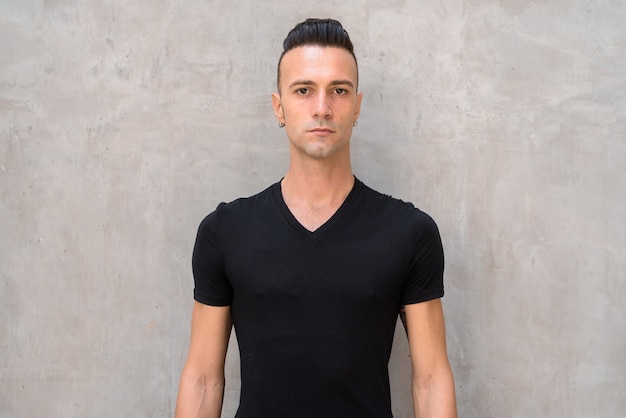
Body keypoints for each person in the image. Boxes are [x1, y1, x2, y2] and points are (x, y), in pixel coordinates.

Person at [175, 18, 457, 418]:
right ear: (279, 107)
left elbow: (430, 380)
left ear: (357, 106)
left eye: (338, 91)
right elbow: (203, 378)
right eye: (304, 90)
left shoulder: (409, 232)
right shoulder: (225, 231)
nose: (322, 108)